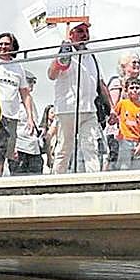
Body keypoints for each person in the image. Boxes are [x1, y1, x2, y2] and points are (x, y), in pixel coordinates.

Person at [48, 20, 110, 174]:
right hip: (67, 109)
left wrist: (112, 108)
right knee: (64, 148)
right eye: (80, 31)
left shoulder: (91, 56)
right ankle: (56, 179)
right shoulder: (65, 53)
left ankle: (93, 179)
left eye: (86, 31)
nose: (84, 35)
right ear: (72, 34)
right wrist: (62, 55)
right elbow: (52, 74)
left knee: (91, 147)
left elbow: (101, 84)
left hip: (89, 109)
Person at [0, 33, 37, 176]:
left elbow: (25, 94)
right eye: (1, 44)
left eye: (7, 44)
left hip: (12, 116)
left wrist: (30, 117)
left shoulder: (18, 68)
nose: (3, 47)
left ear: (13, 46)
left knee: (5, 153)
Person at [114, 77, 140, 169]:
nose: (134, 90)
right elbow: (113, 118)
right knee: (124, 167)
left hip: (137, 140)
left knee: (138, 168)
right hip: (124, 140)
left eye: (137, 88)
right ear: (126, 90)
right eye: (131, 88)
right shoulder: (122, 104)